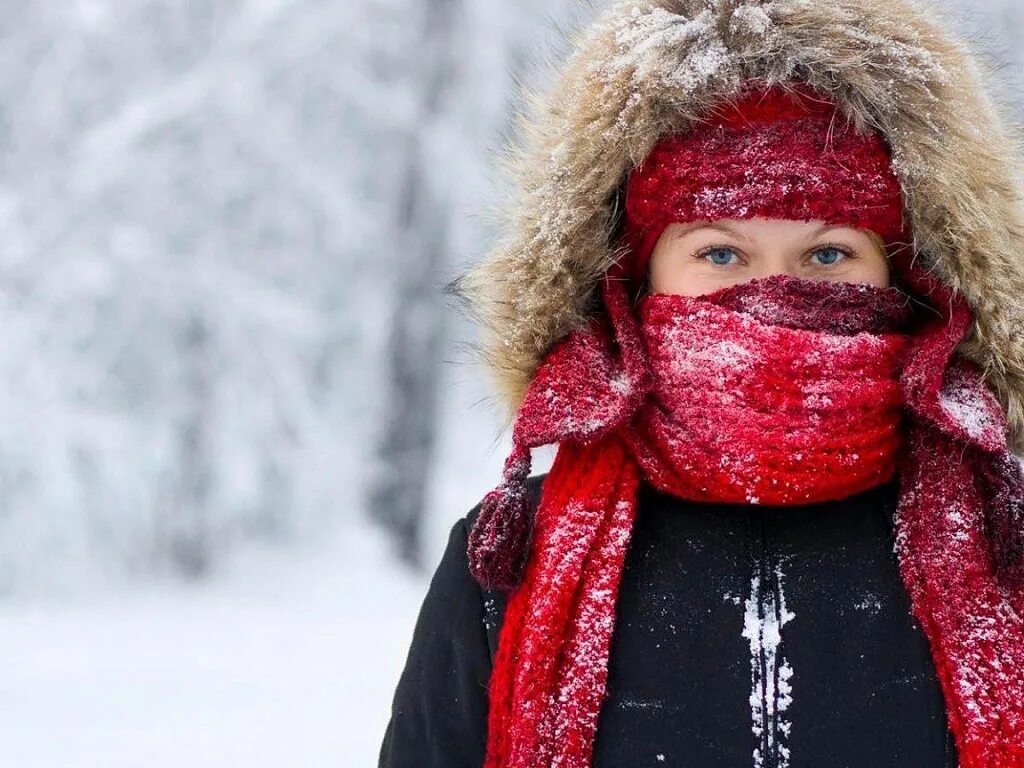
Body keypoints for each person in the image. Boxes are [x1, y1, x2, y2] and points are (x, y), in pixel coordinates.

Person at [378, 1, 1024, 766]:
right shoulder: (509, 562)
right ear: (634, 280)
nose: (774, 291)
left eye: (828, 256)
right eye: (720, 254)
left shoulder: (1003, 550)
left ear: (904, 275)